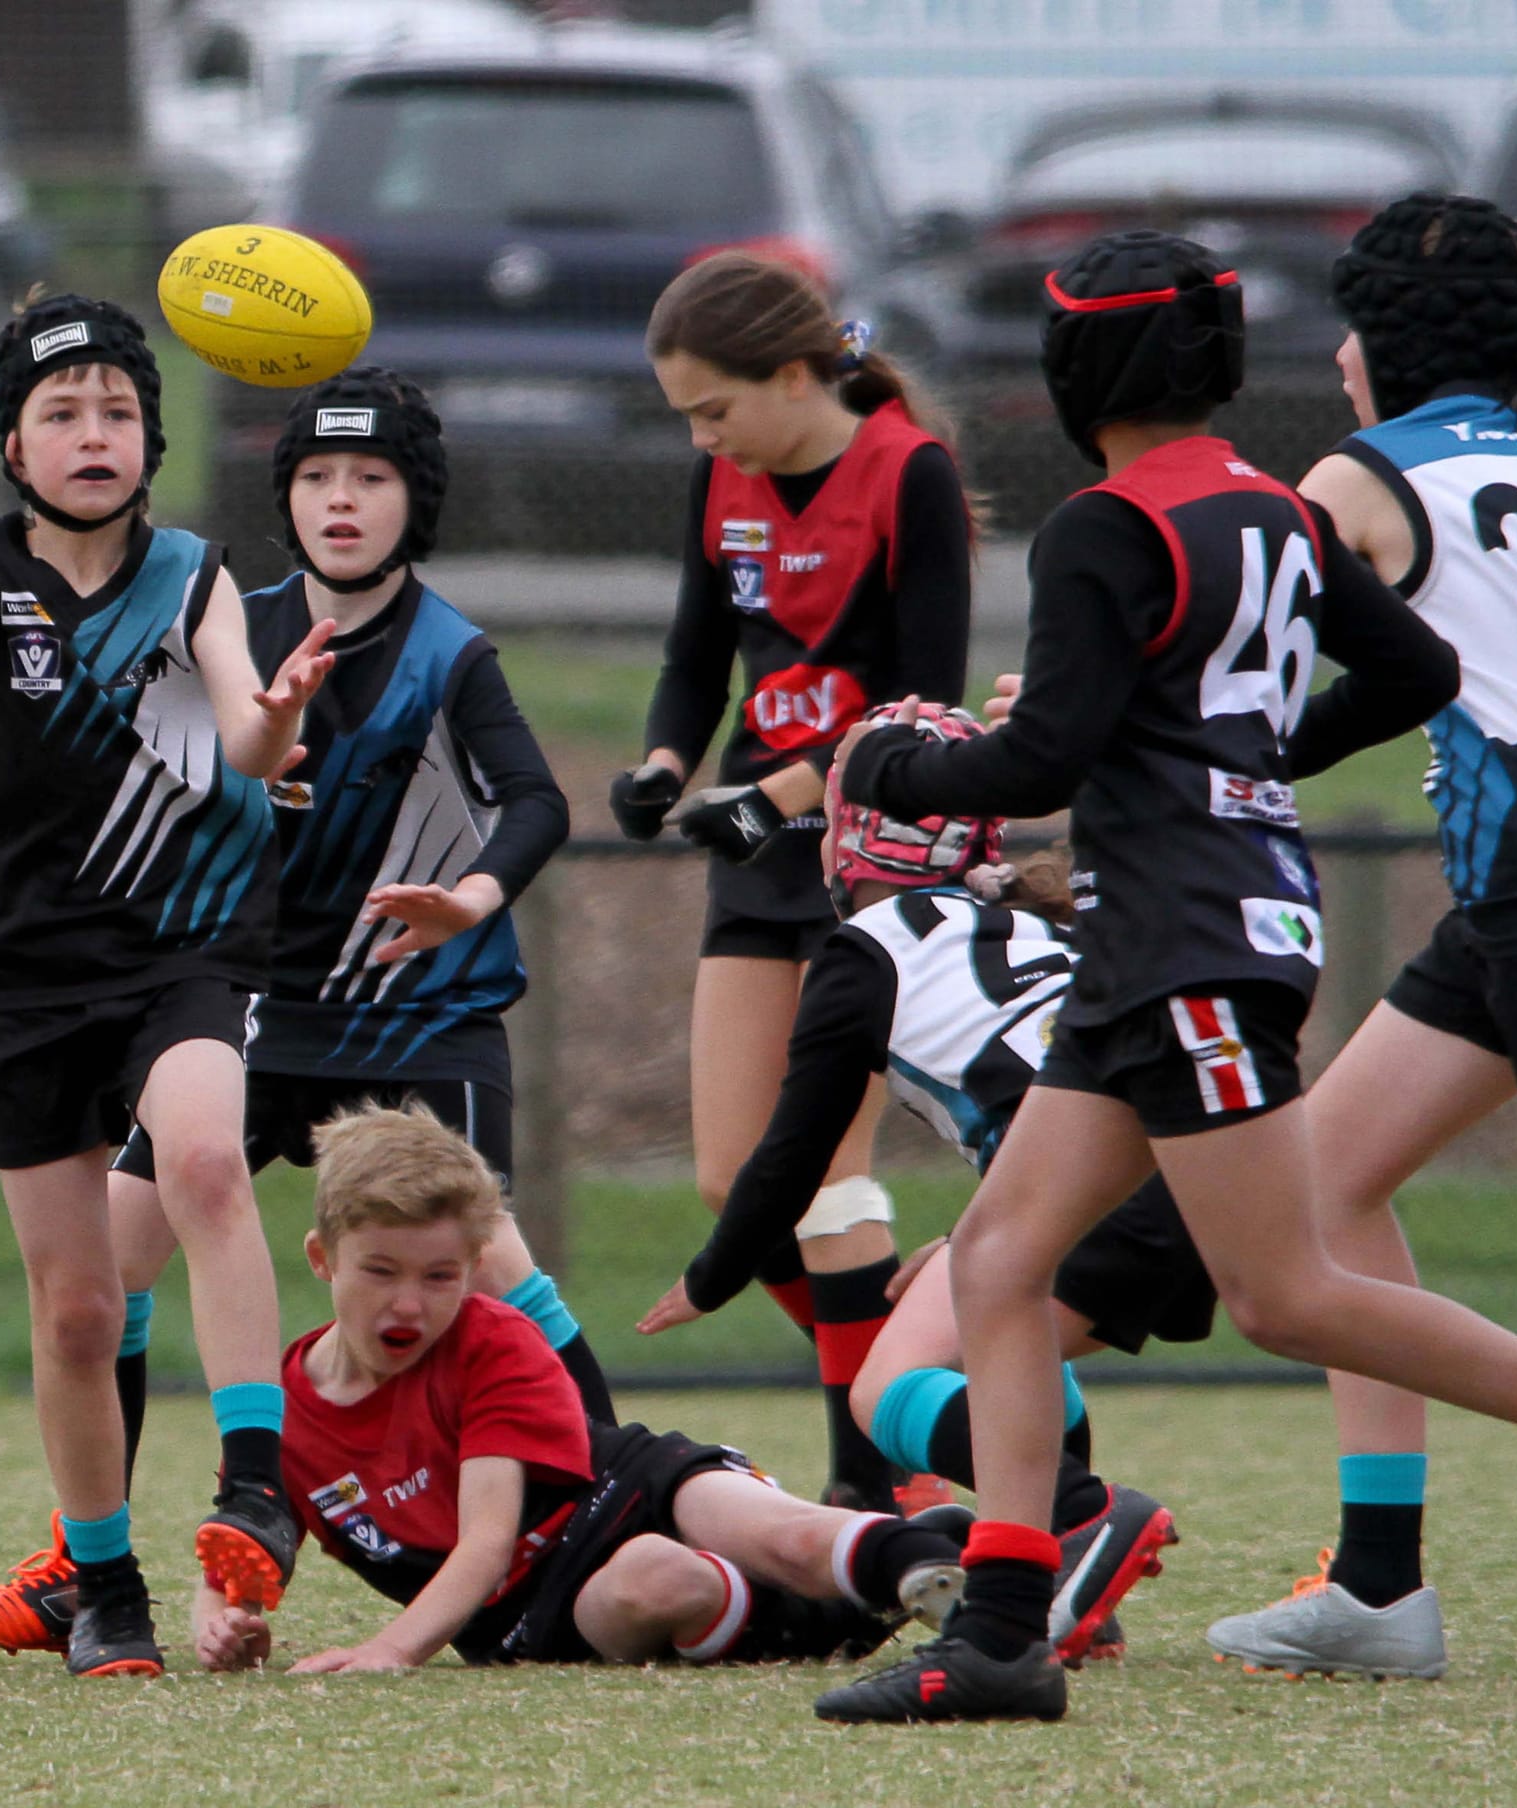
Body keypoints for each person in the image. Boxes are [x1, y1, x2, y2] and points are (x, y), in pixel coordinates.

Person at [809, 230, 1517, 1729]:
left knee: (1285, 1294)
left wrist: (889, 768)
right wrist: (1253, 754)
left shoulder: (1102, 526)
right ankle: (1001, 1635)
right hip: (1161, 940)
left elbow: (1039, 757)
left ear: (1074, 371)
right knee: (997, 1262)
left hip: (1188, 942)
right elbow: (1420, 675)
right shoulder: (1273, 506)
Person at [0, 366, 613, 1660]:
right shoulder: (219, 622)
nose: (340, 501)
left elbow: (535, 801)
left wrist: (468, 898)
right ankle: (84, 1561)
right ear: (283, 497)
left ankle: (614, 1496)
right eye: (314, 477)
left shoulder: (451, 653)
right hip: (242, 1009)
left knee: (490, 1272)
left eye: (371, 478)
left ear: (417, 502)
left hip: (417, 1012)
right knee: (106, 1273)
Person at [0, 293, 335, 1677]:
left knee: (207, 1161)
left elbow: (246, 735)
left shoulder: (191, 574)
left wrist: (275, 720)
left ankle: (254, 1486)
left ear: (150, 438)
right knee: (75, 1309)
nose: (93, 431)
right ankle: (102, 1582)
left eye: (118, 409)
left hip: (186, 947)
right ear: (15, 444)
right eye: (61, 412)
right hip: (22, 975)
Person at [1204, 194, 1517, 1681]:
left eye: (1346, 334)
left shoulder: (1361, 472)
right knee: (1318, 1197)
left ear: (1373, 344)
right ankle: (1377, 1585)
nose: (1338, 360)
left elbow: (1231, 658)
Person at [636, 701, 1209, 1666]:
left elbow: (790, 1158)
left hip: (1091, 1192)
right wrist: (968, 1242)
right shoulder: (1023, 920)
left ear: (851, 837)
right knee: (1005, 1339)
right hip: (1192, 1177)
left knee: (885, 1388)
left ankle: (1081, 1516)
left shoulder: (867, 952)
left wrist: (709, 1277)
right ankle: (1060, 1574)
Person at [608, 251, 976, 1511]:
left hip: (868, 855)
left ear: (789, 374)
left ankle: (874, 1482)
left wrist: (783, 793)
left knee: (822, 1174)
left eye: (712, 408)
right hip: (758, 854)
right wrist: (664, 764)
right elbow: (693, 656)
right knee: (734, 1182)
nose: (701, 437)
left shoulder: (908, 472)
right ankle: (914, 1393)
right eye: (685, 417)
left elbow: (922, 705)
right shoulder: (723, 477)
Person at [193, 1105, 973, 1675]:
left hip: (627, 1485)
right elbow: (238, 1555)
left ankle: (964, 1573)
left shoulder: (490, 1338)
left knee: (779, 1534)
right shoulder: (280, 1412)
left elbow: (485, 1541)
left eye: (438, 1277)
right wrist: (224, 1625)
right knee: (658, 1581)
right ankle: (878, 1593)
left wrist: (391, 1650)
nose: (408, 1304)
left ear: (471, 1271)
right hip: (533, 1610)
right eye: (380, 1271)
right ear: (322, 1258)